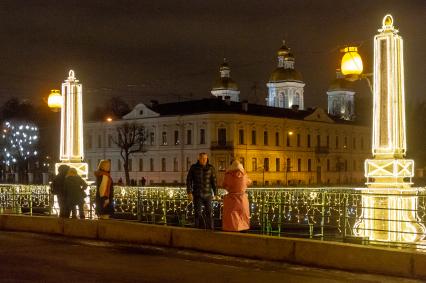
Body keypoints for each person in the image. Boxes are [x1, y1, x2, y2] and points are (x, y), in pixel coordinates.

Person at [186, 152, 217, 230]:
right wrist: (189, 192)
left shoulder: (211, 168)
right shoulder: (193, 167)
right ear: (198, 159)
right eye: (202, 158)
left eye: (205, 158)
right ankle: (198, 229)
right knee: (197, 213)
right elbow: (189, 180)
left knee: (209, 213)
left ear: (207, 159)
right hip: (197, 194)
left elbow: (214, 181)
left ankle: (210, 229)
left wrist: (216, 193)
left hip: (208, 195)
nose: (204, 160)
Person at [222, 160, 252, 232]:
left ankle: (232, 231)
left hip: (232, 199)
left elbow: (224, 185)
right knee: (242, 216)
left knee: (232, 217)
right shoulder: (244, 174)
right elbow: (248, 182)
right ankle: (242, 230)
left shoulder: (228, 174)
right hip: (242, 199)